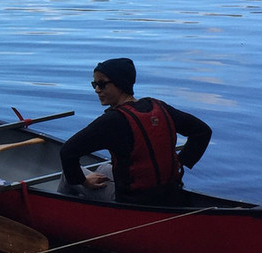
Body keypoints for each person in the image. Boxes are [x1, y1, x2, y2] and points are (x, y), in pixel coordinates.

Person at [58, 58, 212, 206]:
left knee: (68, 174)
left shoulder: (112, 121)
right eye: (95, 84)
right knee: (103, 169)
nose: (97, 90)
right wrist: (181, 163)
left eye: (102, 84)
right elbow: (202, 132)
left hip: (131, 201)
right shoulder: (159, 107)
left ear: (120, 84)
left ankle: (64, 213)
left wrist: (83, 182)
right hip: (171, 194)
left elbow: (67, 152)